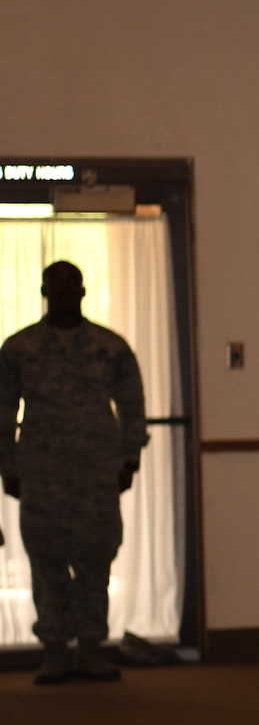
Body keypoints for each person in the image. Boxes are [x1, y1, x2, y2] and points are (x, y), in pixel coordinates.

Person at [0, 259, 148, 685]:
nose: (64, 290)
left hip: (96, 474)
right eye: (55, 284)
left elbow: (132, 404)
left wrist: (130, 459)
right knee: (46, 563)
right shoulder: (18, 348)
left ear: (83, 291)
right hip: (40, 473)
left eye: (71, 284)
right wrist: (7, 465)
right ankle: (54, 652)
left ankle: (90, 650)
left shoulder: (110, 346)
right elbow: (3, 409)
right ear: (43, 291)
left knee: (95, 560)